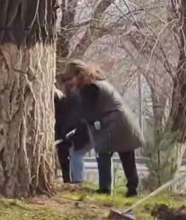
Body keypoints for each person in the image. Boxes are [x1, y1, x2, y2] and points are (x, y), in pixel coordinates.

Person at [64, 60, 144, 197]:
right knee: (126, 155)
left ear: (78, 75)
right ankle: (132, 188)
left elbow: (88, 112)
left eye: (71, 79)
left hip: (112, 122)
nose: (70, 83)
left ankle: (105, 188)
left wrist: (77, 128)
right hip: (123, 120)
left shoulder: (89, 87)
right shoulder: (98, 82)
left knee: (103, 154)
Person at [60, 75, 94, 184]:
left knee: (76, 154)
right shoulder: (78, 97)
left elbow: (73, 118)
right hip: (84, 131)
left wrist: (66, 132)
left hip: (82, 132)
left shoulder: (74, 98)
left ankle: (77, 180)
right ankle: (76, 179)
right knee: (74, 153)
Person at [54, 87, 72, 183]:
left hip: (63, 131)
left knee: (64, 156)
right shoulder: (61, 97)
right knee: (63, 156)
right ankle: (67, 179)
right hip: (62, 130)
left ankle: (67, 179)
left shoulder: (59, 100)